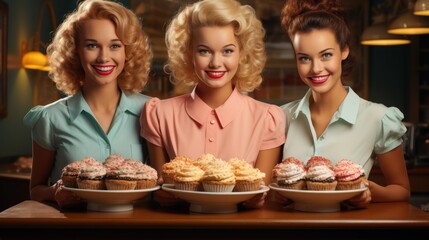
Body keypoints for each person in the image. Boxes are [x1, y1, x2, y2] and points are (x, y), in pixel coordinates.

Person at [140, 0, 286, 208]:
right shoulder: (159, 114)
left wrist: (256, 197)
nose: (216, 63)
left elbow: (261, 198)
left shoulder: (267, 119)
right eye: (204, 51)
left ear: (242, 54)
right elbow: (164, 193)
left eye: (227, 51)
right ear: (188, 53)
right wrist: (162, 194)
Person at [279, 0, 410, 208]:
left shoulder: (378, 117)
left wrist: (369, 192)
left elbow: (401, 190)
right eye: (304, 58)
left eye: (326, 55)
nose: (316, 68)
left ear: (344, 51)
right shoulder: (281, 117)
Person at [23, 0, 153, 208]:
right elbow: (35, 190)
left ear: (128, 51)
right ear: (75, 51)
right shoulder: (50, 118)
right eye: (92, 45)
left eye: (114, 46)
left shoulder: (151, 111)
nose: (104, 57)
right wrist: (54, 192)